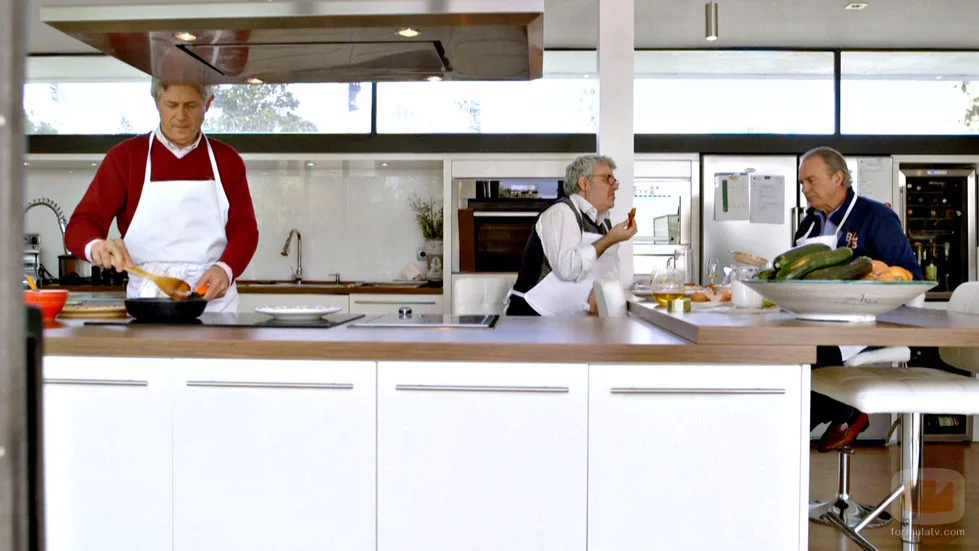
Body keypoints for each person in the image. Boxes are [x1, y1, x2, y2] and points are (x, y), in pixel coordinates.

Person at [65, 78, 259, 312]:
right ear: (157, 102)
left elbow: (245, 229)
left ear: (208, 103)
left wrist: (225, 269)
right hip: (147, 301)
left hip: (213, 302)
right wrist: (96, 246)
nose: (181, 116)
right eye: (171, 105)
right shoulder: (125, 158)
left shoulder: (227, 160)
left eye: (191, 105)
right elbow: (81, 224)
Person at [795, 146, 921, 452]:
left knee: (817, 354)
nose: (805, 190)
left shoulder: (876, 217)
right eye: (802, 183)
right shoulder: (810, 223)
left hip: (869, 325)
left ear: (838, 178)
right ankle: (838, 415)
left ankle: (789, 431)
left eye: (811, 181)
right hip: (818, 321)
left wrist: (872, 278)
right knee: (787, 349)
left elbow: (912, 277)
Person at [506, 154, 638, 316]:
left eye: (614, 180)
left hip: (569, 321)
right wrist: (610, 239)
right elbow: (567, 268)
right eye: (608, 179)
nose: (615, 186)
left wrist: (602, 291)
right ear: (584, 183)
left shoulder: (604, 223)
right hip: (532, 317)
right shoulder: (561, 212)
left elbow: (610, 269)